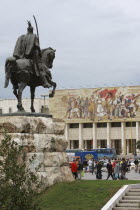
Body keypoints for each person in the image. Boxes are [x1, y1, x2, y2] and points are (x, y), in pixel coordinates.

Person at [12, 21, 50, 88]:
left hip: (22, 56)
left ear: (27, 30)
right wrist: (39, 52)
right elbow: (37, 46)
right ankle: (45, 83)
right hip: (32, 56)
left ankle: (14, 84)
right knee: (40, 67)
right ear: (32, 30)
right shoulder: (33, 36)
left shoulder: (22, 37)